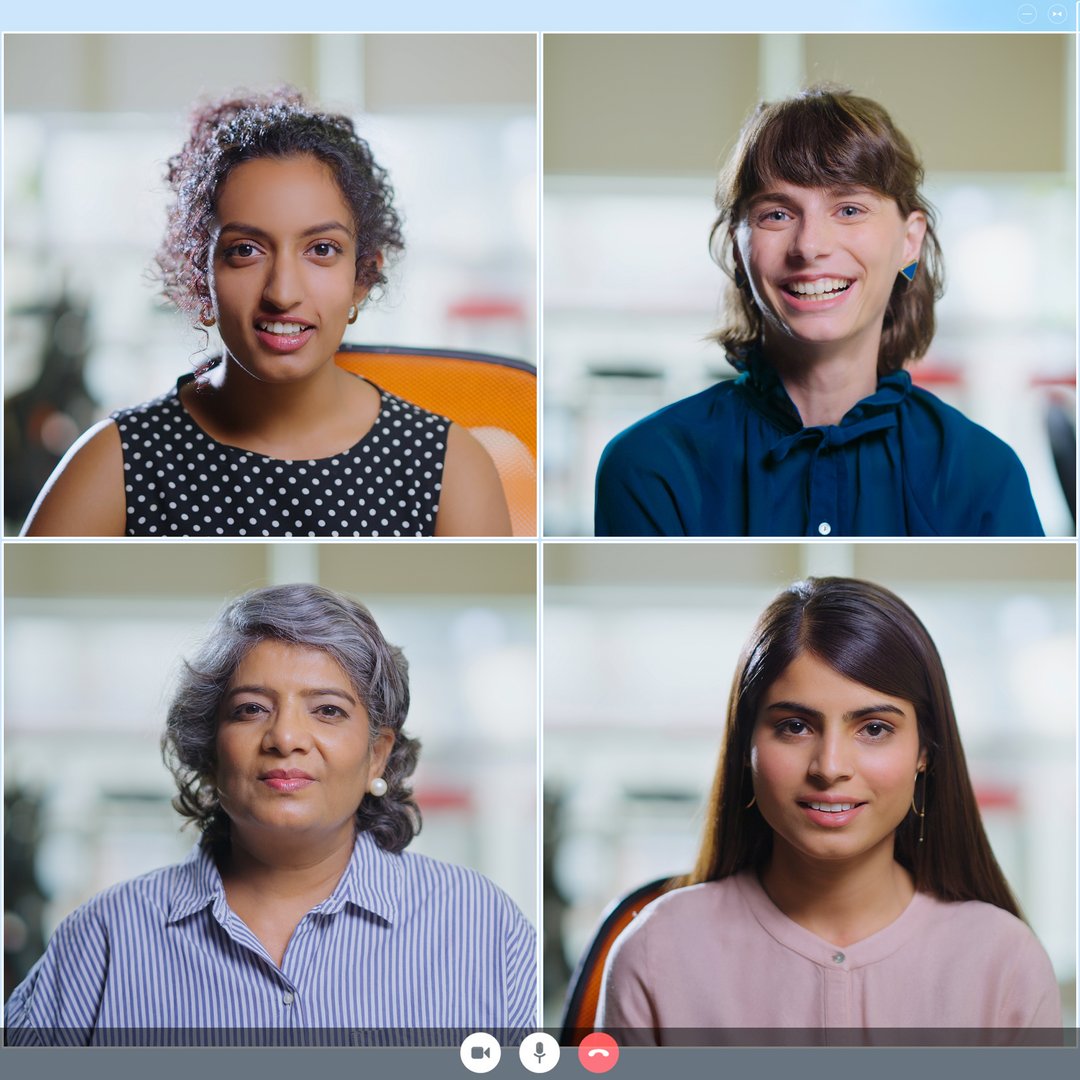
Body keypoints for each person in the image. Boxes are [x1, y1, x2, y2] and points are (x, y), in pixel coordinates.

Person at [6, 584, 536, 1045]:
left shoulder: (482, 926)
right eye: (251, 709)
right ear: (210, 749)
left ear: (378, 753)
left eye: (327, 710)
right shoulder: (103, 937)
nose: (285, 738)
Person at [21, 90, 511, 537]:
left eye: (321, 249)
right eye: (246, 250)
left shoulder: (449, 467)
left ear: (362, 276)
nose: (282, 292)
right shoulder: (115, 463)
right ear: (201, 274)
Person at [596, 577, 1060, 1044]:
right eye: (795, 726)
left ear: (925, 751)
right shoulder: (656, 952)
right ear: (746, 745)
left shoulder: (1005, 961)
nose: (830, 767)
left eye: (874, 729)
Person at [595, 88, 1044, 537]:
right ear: (738, 245)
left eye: (849, 209)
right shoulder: (649, 467)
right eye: (776, 215)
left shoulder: (984, 473)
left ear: (910, 241)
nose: (810, 246)